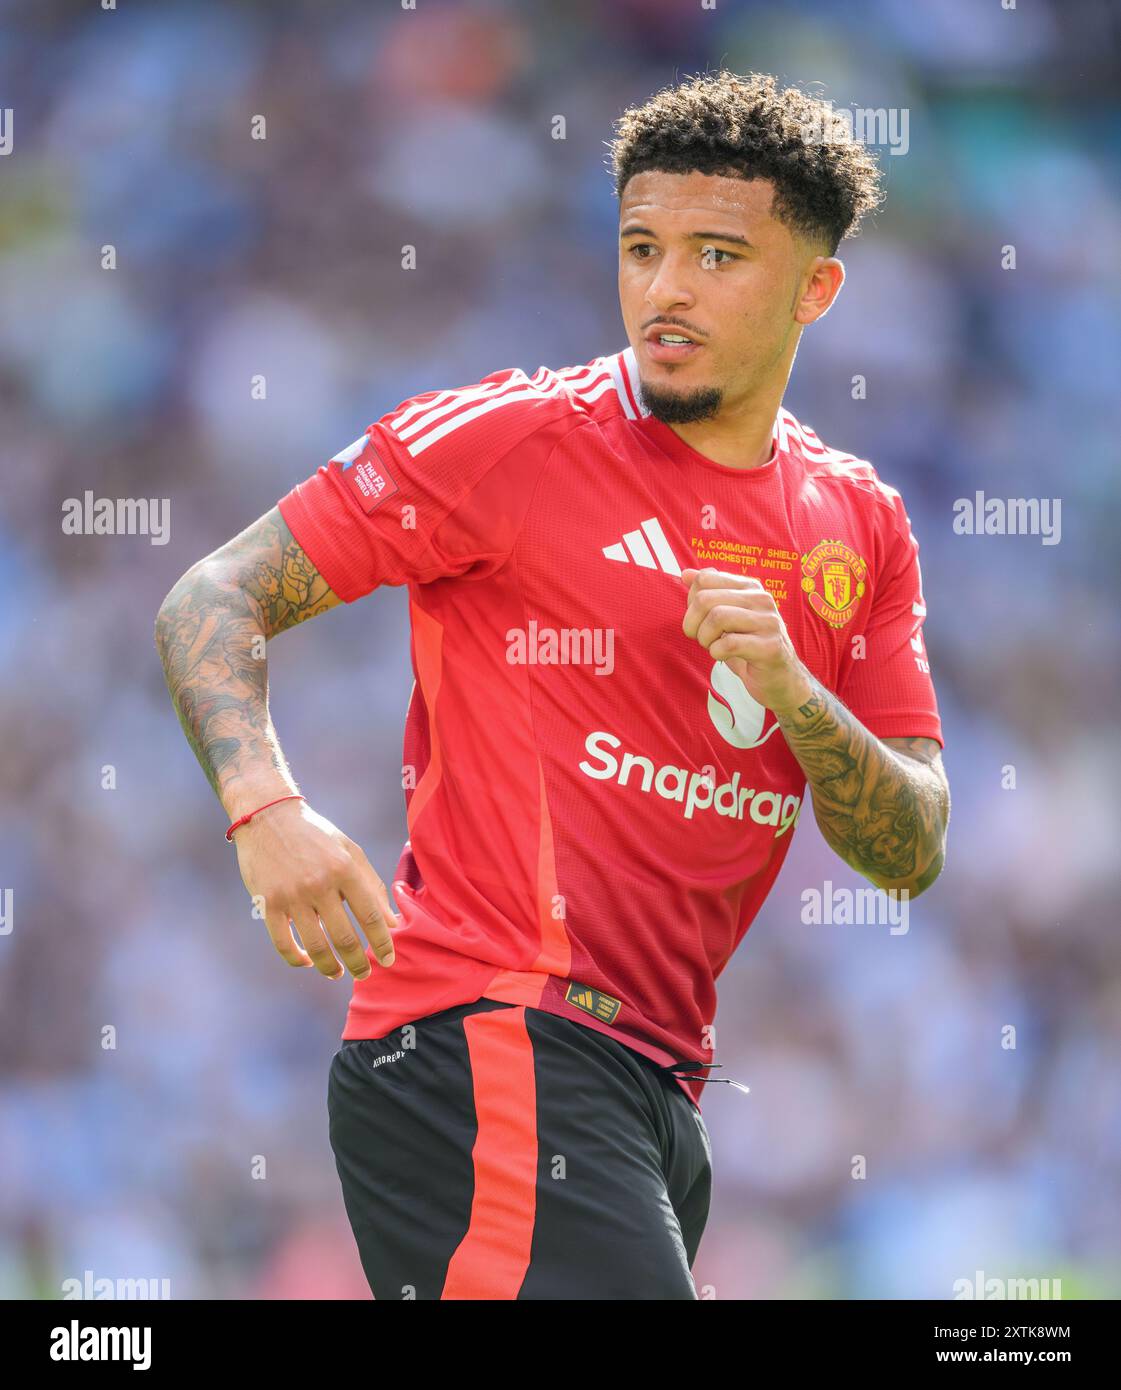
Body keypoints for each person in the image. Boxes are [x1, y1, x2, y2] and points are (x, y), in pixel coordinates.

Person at [155, 70, 950, 1300]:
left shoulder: (860, 524)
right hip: (490, 1040)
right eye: (639, 246)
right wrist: (266, 810)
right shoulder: (512, 441)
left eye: (716, 254)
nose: (664, 288)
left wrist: (794, 688)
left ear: (815, 288)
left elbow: (909, 847)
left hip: (655, 1090)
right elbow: (213, 596)